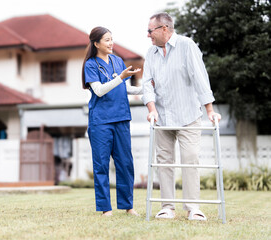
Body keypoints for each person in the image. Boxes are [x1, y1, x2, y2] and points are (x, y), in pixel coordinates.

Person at [141, 12, 221, 221]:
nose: (148, 35)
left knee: (190, 160)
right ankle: (167, 207)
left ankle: (193, 208)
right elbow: (147, 84)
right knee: (164, 161)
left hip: (188, 116)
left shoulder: (187, 46)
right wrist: (151, 108)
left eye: (150, 31)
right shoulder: (151, 53)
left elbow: (200, 78)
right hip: (162, 118)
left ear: (164, 29)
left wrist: (210, 110)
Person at [81, 26, 142, 216]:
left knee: (125, 163)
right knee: (101, 164)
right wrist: (121, 78)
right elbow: (99, 90)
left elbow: (125, 88)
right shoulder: (90, 65)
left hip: (121, 118)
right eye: (107, 40)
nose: (111, 43)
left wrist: (147, 89)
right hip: (101, 121)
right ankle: (105, 208)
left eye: (111, 39)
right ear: (96, 43)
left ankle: (127, 206)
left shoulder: (118, 61)